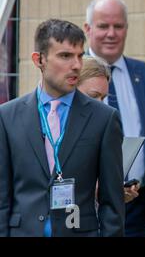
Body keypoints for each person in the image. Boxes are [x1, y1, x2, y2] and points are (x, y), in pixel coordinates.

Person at [0, 19, 125, 237]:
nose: (76, 64)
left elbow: (112, 204)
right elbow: (2, 196)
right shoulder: (7, 116)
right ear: (39, 60)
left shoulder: (104, 118)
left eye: (79, 55)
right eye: (65, 56)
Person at [84, 0, 145, 237]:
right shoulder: (74, 75)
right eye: (103, 26)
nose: (111, 33)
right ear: (88, 29)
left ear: (127, 29)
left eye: (118, 26)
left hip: (140, 202)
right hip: (90, 205)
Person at [77, 55, 140, 204]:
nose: (100, 105)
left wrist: (115, 192)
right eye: (93, 96)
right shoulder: (50, 130)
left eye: (103, 98)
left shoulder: (101, 130)